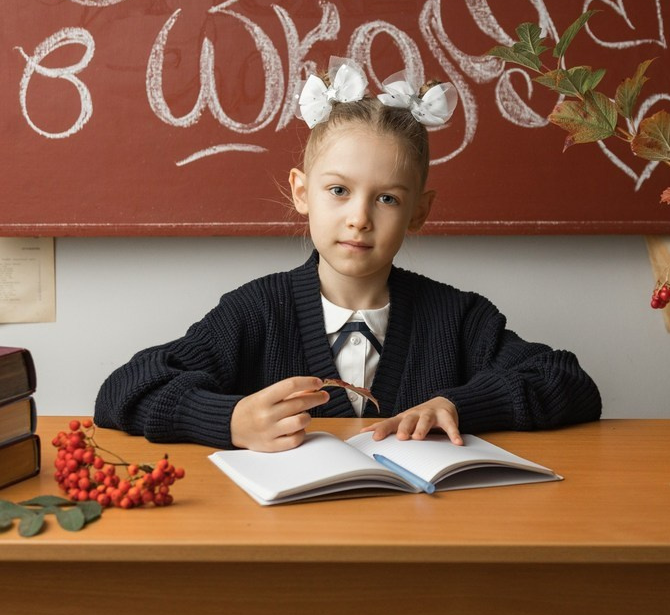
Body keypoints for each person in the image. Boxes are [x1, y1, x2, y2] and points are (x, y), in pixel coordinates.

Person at [94, 59, 602, 451]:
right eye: (338, 191)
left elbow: (568, 382)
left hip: (424, 541)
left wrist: (457, 405)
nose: (360, 218)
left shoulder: (459, 317)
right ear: (301, 191)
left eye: (387, 199)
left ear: (419, 213)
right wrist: (228, 420)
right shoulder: (254, 312)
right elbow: (122, 391)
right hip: (286, 547)